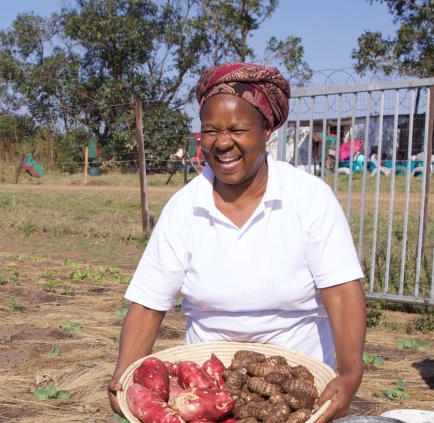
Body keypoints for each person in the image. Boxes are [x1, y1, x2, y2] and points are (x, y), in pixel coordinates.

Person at [106, 63, 367, 423]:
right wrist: (125, 379)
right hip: (209, 386)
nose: (223, 143)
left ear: (267, 131)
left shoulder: (308, 199)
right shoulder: (185, 208)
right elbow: (148, 304)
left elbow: (342, 292)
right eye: (210, 131)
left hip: (296, 390)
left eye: (238, 129)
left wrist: (351, 373)